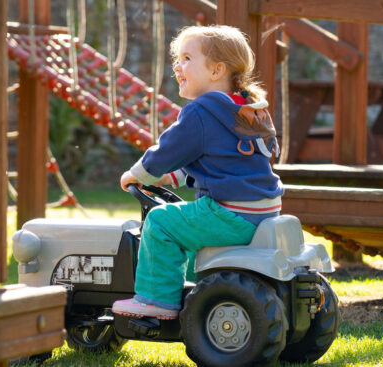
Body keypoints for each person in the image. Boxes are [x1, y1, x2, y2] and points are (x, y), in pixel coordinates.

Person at [112, 25, 284, 320]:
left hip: (230, 212)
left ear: (217, 70)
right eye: (177, 59)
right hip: (265, 211)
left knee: (161, 221)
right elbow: (221, 161)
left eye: (187, 58)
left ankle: (156, 298)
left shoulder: (202, 111)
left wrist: (137, 174)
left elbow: (167, 151)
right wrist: (174, 178)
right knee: (185, 220)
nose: (178, 66)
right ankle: (193, 286)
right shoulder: (246, 108)